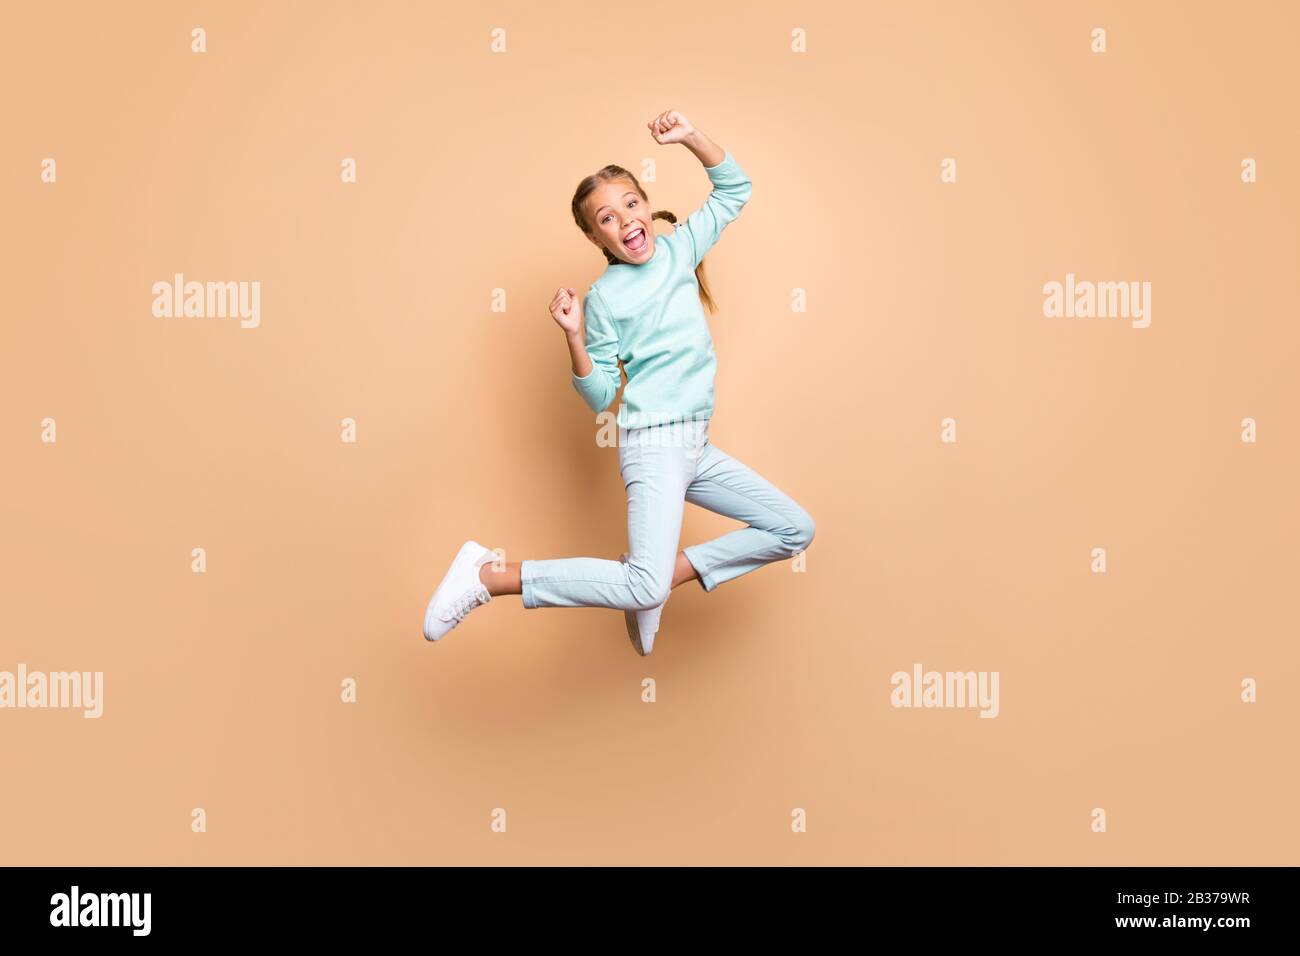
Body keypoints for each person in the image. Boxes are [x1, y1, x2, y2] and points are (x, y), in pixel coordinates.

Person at [423, 110, 815, 655]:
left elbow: (735, 188)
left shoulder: (681, 250)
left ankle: (658, 584)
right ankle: (490, 575)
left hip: (695, 446)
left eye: (631, 205)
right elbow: (602, 394)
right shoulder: (604, 299)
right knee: (640, 582)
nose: (625, 221)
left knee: (794, 529)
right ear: (593, 235)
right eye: (606, 218)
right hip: (652, 447)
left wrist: (689, 139)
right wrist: (575, 336)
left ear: (647, 206)